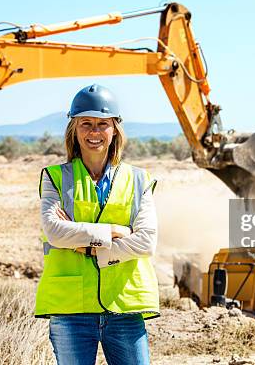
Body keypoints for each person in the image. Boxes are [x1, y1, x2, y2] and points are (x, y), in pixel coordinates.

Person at [35, 84, 159, 365]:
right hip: (71, 311)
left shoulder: (138, 179)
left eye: (102, 124)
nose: (94, 132)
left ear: (114, 129)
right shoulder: (55, 177)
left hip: (124, 307)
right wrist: (113, 232)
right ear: (74, 129)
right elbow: (54, 231)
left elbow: (146, 240)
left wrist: (88, 246)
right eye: (85, 124)